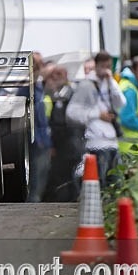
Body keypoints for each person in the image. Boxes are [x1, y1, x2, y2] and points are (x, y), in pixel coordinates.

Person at [67, 51, 126, 191]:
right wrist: (97, 114)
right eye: (103, 66)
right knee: (100, 182)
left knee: (115, 183)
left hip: (112, 141)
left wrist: (111, 81)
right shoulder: (86, 85)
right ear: (97, 65)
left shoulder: (109, 83)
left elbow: (121, 103)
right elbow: (72, 112)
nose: (106, 69)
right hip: (96, 141)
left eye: (109, 66)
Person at [43, 64, 85, 202]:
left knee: (70, 175)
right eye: (54, 74)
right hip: (60, 144)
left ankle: (70, 200)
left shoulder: (71, 93)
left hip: (72, 142)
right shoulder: (50, 93)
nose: (57, 77)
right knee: (60, 176)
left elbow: (63, 120)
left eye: (60, 74)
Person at [19, 52, 51, 202]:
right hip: (33, 139)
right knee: (34, 177)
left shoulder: (38, 87)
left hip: (42, 140)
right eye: (35, 64)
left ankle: (34, 201)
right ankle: (31, 205)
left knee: (41, 177)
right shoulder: (26, 88)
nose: (38, 67)